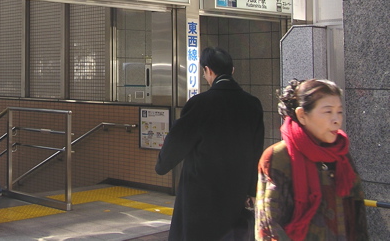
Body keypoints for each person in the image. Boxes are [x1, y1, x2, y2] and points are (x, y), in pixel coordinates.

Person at [156, 46, 265, 240]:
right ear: (232, 70)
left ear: (208, 70)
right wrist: (251, 189)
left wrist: (162, 165)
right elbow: (256, 150)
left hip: (200, 192)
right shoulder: (252, 104)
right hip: (236, 191)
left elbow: (177, 142)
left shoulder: (200, 103)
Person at [255, 79, 368, 240]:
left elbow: (358, 221)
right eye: (328, 112)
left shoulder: (341, 156)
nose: (336, 120)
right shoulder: (279, 157)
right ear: (302, 115)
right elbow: (269, 228)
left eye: (339, 112)